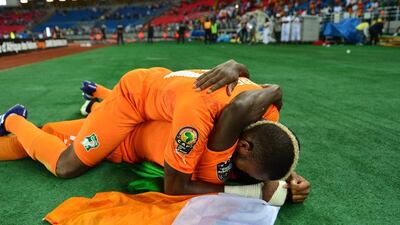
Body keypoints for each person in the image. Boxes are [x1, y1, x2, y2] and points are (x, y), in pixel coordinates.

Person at [0, 60, 309, 204]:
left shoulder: (265, 112)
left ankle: (98, 100)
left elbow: (271, 94)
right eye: (248, 172)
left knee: (96, 129)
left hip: (161, 103)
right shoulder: (195, 126)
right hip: (135, 99)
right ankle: (13, 119)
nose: (244, 175)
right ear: (243, 146)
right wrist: (253, 193)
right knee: (66, 166)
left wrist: (282, 178)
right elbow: (174, 188)